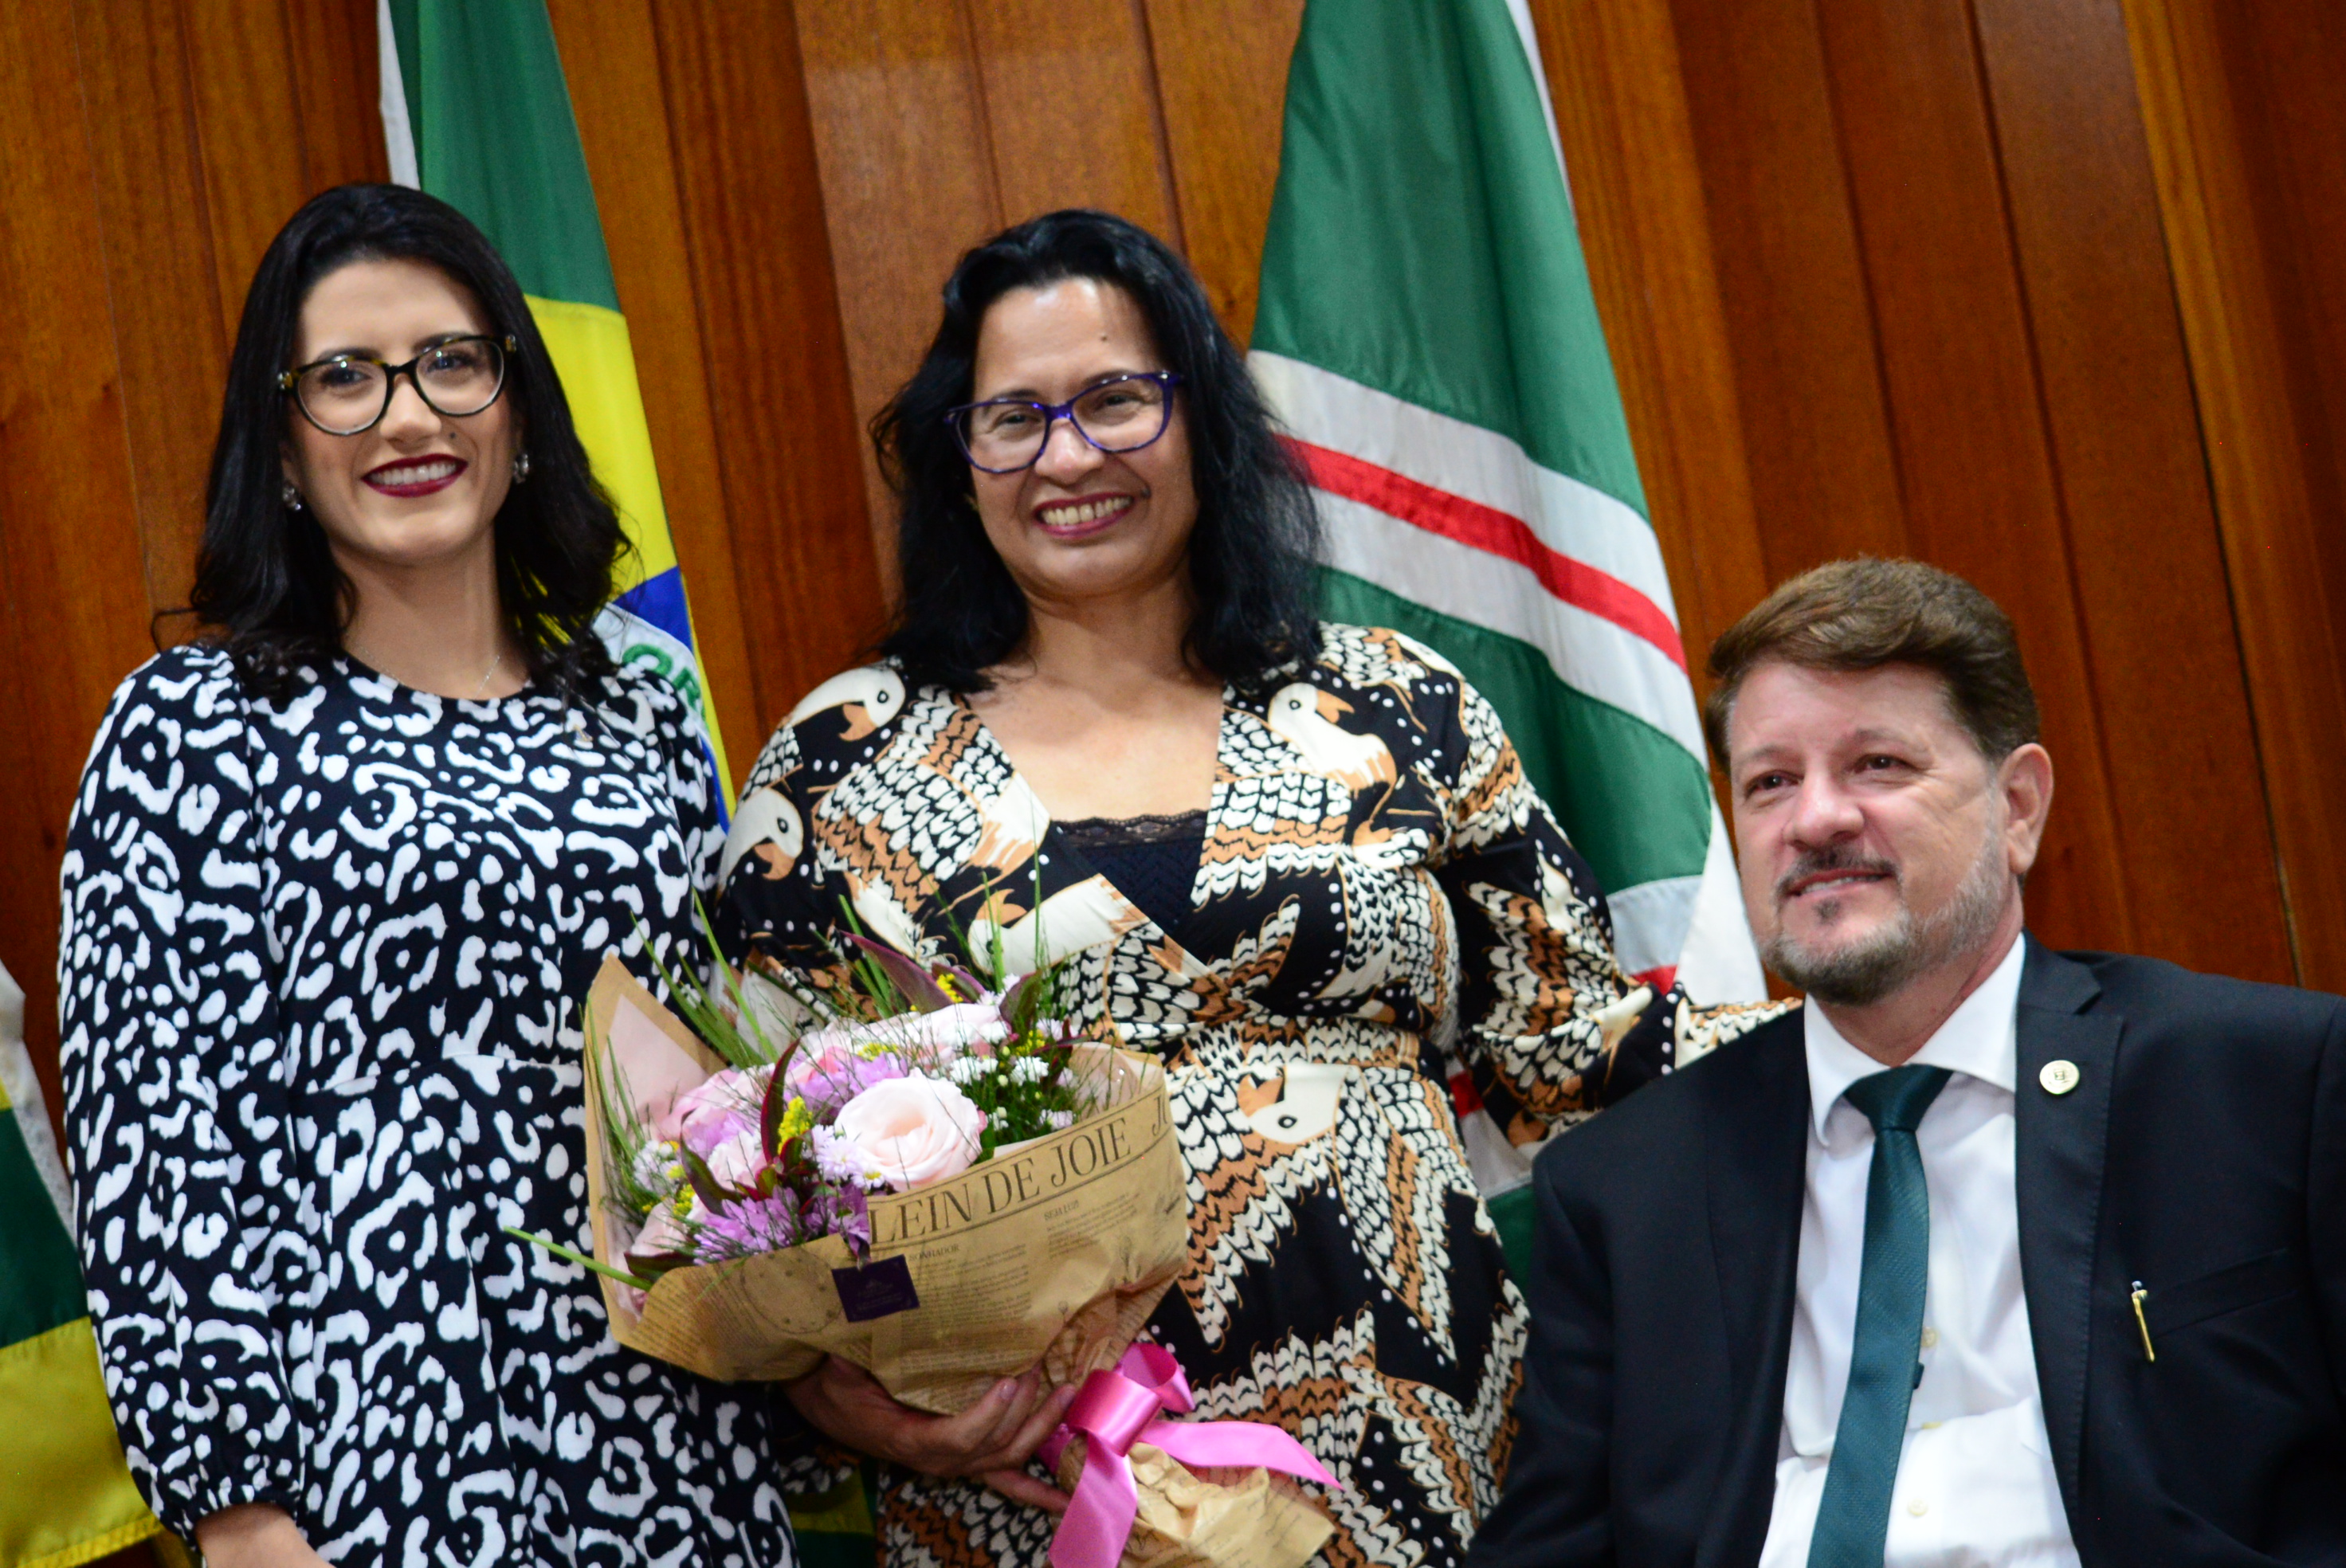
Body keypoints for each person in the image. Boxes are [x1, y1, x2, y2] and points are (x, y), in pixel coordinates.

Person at [712, 207, 1783, 1567]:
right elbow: (749, 1175)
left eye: (1115, 399)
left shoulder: (1394, 703)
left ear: (1202, 419)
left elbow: (1566, 1051)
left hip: (1423, 1452)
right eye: (1012, 418)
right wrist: (836, 1401)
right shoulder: (845, 757)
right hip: (1038, 1490)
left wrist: (1877, 1026)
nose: (1067, 456)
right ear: (955, 459)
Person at [58, 184, 794, 1568]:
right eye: (345, 377)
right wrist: (239, 1512)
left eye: (452, 362)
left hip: (677, 1435)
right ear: (282, 445)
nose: (408, 416)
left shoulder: (637, 705)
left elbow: (710, 1077)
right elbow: (158, 1150)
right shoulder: (191, 727)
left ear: (518, 410)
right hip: (376, 1454)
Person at [1469, 557, 2346, 1568]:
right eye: (1770, 782)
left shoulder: (2264, 1085)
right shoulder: (1624, 1187)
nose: (1814, 820)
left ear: (2018, 807)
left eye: (1877, 764)